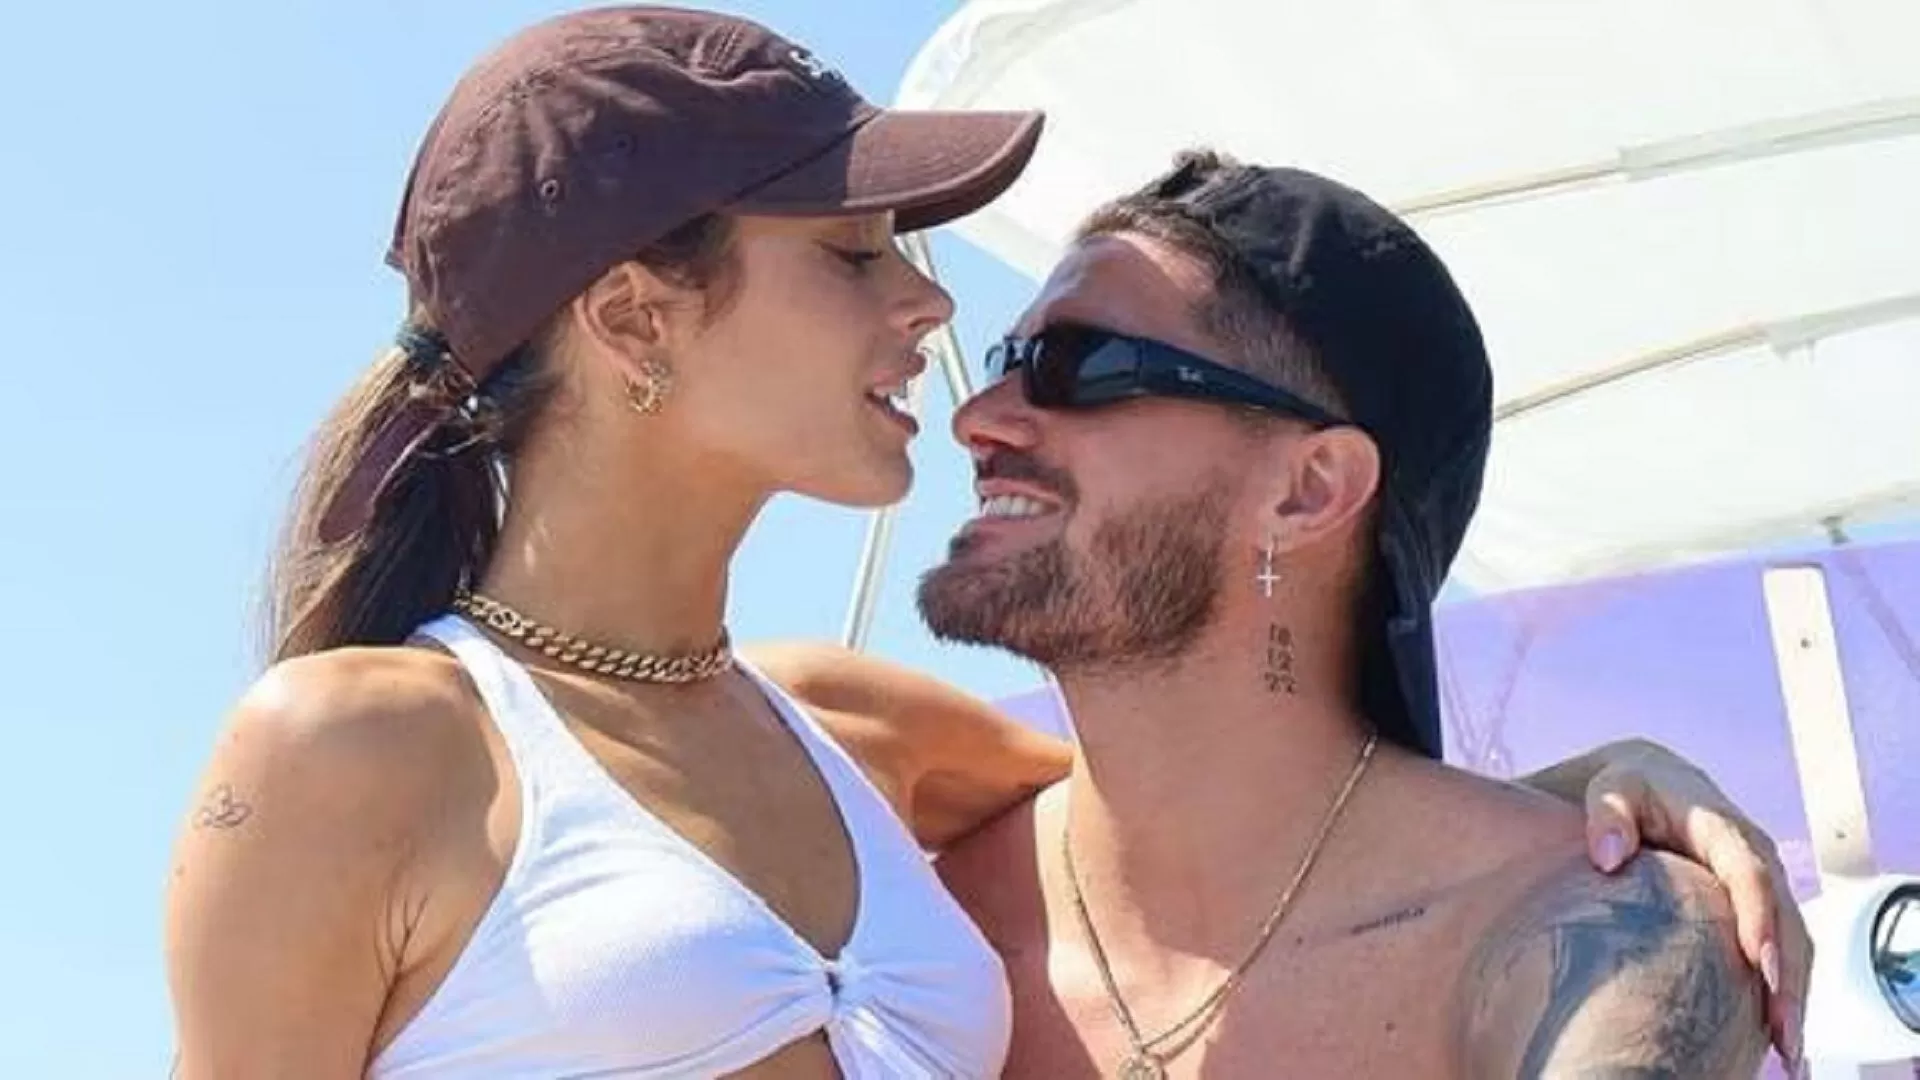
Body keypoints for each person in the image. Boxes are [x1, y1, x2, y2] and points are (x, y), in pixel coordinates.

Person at [163, 7, 1806, 1077]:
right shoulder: (350, 750)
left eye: (1078, 366)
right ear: (635, 317)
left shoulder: (854, 735)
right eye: (854, 255)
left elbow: (1243, 804)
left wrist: (1601, 790)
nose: (938, 321)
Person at [853, 149, 1796, 1076]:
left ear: (1309, 490)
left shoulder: (1575, 930)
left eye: (1075, 365)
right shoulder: (886, 925)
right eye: (1007, 359)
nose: (977, 418)